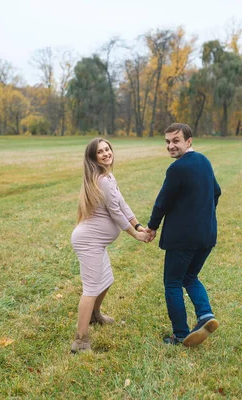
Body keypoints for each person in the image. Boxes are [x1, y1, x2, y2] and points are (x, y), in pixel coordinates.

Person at [70, 137, 150, 353]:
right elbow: (115, 213)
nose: (106, 153)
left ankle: (96, 316)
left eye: (107, 149)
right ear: (93, 158)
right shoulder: (101, 180)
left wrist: (138, 224)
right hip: (88, 241)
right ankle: (80, 340)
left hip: (96, 242)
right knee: (91, 288)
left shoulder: (108, 176)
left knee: (106, 280)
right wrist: (135, 235)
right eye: (100, 152)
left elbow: (121, 203)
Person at [145, 123, 221, 347]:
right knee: (190, 277)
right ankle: (205, 315)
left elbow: (162, 202)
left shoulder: (177, 169)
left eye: (175, 141)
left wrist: (152, 227)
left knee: (173, 283)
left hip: (183, 238)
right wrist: (202, 214)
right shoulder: (204, 161)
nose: (170, 146)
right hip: (206, 235)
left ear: (189, 141)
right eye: (167, 142)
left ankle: (180, 334)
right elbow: (216, 192)